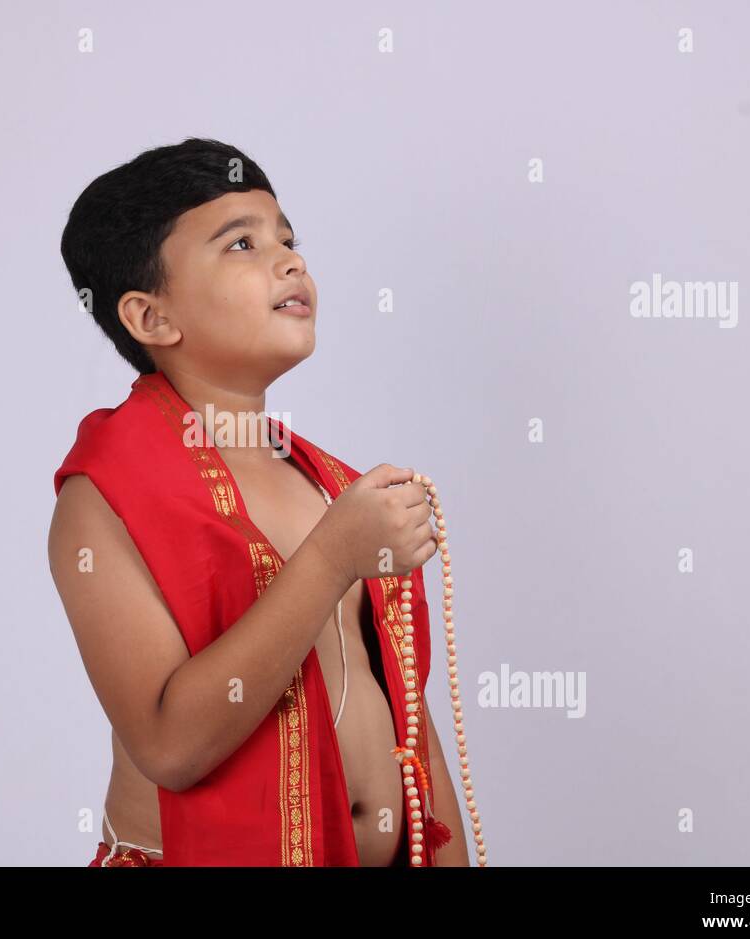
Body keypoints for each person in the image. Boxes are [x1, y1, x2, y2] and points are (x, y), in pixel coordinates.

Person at [49, 138, 469, 866]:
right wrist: (334, 556)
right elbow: (171, 745)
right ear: (151, 319)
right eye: (241, 243)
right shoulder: (105, 496)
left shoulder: (331, 481)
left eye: (287, 238)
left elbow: (410, 721)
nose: (289, 260)